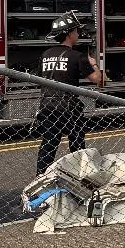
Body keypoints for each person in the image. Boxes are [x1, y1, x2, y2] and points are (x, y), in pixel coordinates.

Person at [34, 11, 102, 174]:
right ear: (70, 34)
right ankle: (79, 175)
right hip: (70, 107)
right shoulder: (77, 56)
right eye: (76, 31)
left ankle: (40, 176)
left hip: (47, 105)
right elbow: (97, 79)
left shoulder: (45, 55)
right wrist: (93, 64)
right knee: (77, 144)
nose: (77, 34)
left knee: (49, 143)